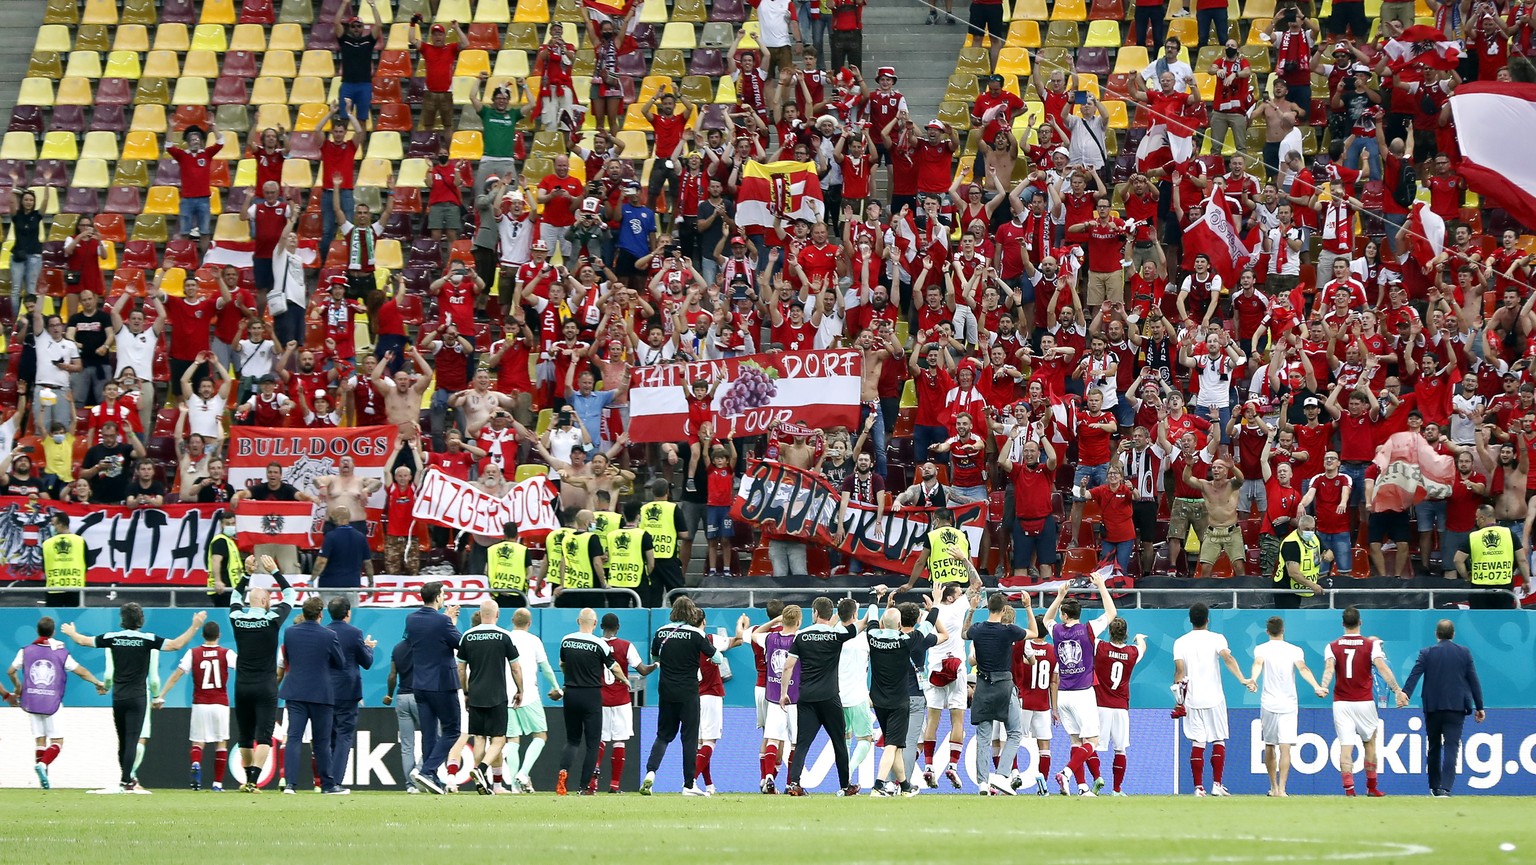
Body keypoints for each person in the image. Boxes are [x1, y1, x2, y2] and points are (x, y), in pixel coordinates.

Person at [60, 605, 206, 794]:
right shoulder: (147, 639)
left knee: (123, 741)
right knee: (132, 740)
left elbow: (82, 641)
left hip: (119, 697)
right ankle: (126, 780)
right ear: (140, 620)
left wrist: (72, 632)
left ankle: (126, 779)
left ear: (122, 619)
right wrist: (195, 626)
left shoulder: (113, 638)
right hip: (137, 698)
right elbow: (175, 644)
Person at [7, 616, 107, 790]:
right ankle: (43, 766)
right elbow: (80, 671)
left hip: (32, 701)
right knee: (57, 742)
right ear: (53, 632)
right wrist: (97, 682)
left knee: (40, 741)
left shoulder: (26, 650)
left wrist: (18, 688)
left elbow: (10, 671)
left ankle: (43, 780)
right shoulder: (60, 652)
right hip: (52, 702)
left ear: (37, 631)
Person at [1319, 606, 1406, 797]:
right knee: (1370, 744)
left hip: (1341, 703)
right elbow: (1382, 668)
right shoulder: (1370, 645)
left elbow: (1328, 669)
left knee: (1345, 747)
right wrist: (1397, 690)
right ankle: (1372, 787)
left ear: (1343, 624)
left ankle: (1349, 790)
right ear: (1360, 622)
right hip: (1365, 702)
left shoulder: (1332, 645)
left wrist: (1323, 686)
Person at [1043, 571, 1116, 795]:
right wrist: (1101, 586)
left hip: (1063, 693)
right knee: (1092, 742)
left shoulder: (1056, 630)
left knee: (1076, 742)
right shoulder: (1088, 629)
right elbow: (1112, 613)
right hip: (1083, 693)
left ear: (1064, 615)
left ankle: (1082, 787)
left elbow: (1046, 619)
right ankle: (1065, 773)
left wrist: (1059, 595)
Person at [780, 596, 862, 797]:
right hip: (829, 697)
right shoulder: (837, 635)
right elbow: (859, 624)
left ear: (814, 613)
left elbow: (788, 666)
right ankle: (845, 786)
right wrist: (871, 601)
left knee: (802, 744)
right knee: (839, 743)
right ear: (830, 614)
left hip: (806, 697)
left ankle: (794, 784)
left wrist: (783, 694)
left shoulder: (801, 636)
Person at [641, 597, 720, 796]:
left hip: (666, 690)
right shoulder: (696, 633)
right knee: (689, 738)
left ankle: (650, 773)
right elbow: (716, 656)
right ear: (691, 613)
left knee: (663, 735)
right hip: (689, 692)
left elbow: (654, 657)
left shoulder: (661, 632)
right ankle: (688, 784)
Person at [1170, 602, 1251, 797]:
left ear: (1190, 620)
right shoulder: (1217, 638)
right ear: (1207, 619)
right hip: (1214, 697)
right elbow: (1227, 658)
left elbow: (1180, 672)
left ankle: (1198, 787)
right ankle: (1216, 784)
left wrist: (1179, 700)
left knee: (1198, 742)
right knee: (1218, 739)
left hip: (1191, 699)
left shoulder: (1180, 642)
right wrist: (1242, 679)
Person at [227, 555, 293, 792]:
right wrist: (275, 571)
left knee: (244, 734)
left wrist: (246, 573)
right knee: (264, 735)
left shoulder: (237, 619)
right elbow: (291, 595)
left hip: (242, 685)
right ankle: (254, 780)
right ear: (265, 601)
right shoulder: (272, 620)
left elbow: (234, 597)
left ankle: (247, 780)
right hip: (265, 685)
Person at [1402, 619, 1486, 797]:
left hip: (1432, 707)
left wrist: (1405, 694)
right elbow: (1473, 680)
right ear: (1453, 634)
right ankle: (1446, 788)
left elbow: (1414, 675)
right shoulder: (1464, 653)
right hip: (1456, 707)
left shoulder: (1427, 653)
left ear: (1437, 634)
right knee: (1451, 747)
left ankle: (1434, 787)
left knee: (1433, 747)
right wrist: (1480, 707)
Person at [1247, 616, 1326, 797]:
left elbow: (1257, 664)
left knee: (1269, 745)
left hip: (1269, 703)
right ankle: (1282, 789)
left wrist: (1253, 680)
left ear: (1267, 632)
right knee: (1285, 747)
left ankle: (1273, 787)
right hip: (1288, 704)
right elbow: (1303, 669)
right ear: (1283, 630)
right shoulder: (1294, 650)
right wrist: (1316, 686)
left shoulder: (1261, 648)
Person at [276, 597, 347, 794]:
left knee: (294, 738)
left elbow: (289, 658)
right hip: (321, 693)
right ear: (320, 614)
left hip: (296, 691)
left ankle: (290, 784)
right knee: (321, 741)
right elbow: (340, 662)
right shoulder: (329, 635)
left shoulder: (290, 633)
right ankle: (327, 785)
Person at [967, 591, 1035, 796]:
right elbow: (1033, 631)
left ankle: (982, 783)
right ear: (1005, 609)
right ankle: (1002, 775)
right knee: (1014, 732)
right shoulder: (1009, 631)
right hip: (1004, 686)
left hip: (983, 686)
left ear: (988, 607)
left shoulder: (977, 630)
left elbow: (964, 633)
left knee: (983, 738)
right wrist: (1028, 606)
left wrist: (971, 609)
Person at [555, 608, 627, 796]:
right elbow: (615, 667)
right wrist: (625, 681)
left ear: (579, 621)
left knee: (572, 740)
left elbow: (562, 664)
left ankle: (563, 775)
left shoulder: (566, 640)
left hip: (571, 693)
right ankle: (584, 786)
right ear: (594, 624)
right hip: (592, 695)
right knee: (593, 743)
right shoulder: (599, 644)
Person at [157, 621, 236, 791]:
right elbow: (244, 669)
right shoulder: (227, 653)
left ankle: (195, 763)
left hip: (200, 703)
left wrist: (162, 695)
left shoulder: (193, 653)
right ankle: (217, 784)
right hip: (220, 704)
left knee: (198, 743)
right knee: (221, 744)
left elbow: (176, 675)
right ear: (219, 636)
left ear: (203, 635)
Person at [456, 599, 524, 795]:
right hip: (496, 695)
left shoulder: (467, 636)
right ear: (497, 615)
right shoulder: (504, 636)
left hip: (476, 694)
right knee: (499, 739)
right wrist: (520, 690)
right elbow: (515, 667)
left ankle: (485, 784)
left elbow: (461, 669)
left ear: (480, 613)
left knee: (479, 738)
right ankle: (481, 770)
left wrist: (466, 692)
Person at [404, 582, 463, 794]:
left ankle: (432, 779)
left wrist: (446, 620)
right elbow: (460, 644)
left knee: (429, 733)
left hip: (419, 684)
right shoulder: (442, 621)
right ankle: (427, 771)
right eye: (444, 594)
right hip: (441, 683)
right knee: (452, 729)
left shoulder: (411, 619)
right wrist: (450, 620)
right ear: (438, 597)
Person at [591, 613, 655, 794]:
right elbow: (642, 669)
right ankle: (614, 785)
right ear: (618, 627)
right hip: (621, 700)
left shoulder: (595, 644)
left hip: (600, 699)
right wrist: (656, 665)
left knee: (600, 740)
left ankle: (593, 783)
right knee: (619, 741)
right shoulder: (625, 645)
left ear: (600, 626)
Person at [508, 607, 561, 793]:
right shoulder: (533, 640)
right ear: (529, 623)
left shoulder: (505, 637)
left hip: (506, 695)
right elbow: (545, 667)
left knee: (512, 740)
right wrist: (556, 686)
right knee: (540, 735)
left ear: (512, 620)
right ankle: (523, 773)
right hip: (528, 694)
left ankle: (515, 786)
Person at [326, 596, 375, 790]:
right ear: (348, 613)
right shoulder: (355, 633)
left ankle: (325, 780)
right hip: (348, 691)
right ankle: (335, 782)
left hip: (326, 691)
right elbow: (367, 662)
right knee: (344, 736)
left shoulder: (324, 631)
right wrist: (368, 649)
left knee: (328, 737)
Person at [1093, 617, 1146, 796]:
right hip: (1121, 707)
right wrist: (1139, 638)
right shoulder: (1132, 653)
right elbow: (1142, 649)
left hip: (1101, 705)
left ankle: (1097, 778)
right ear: (1126, 634)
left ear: (1110, 632)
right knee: (1120, 749)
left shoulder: (1100, 647)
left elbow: (1089, 636)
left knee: (1091, 745)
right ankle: (1116, 789)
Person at [1458, 505, 1529, 609]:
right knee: (1501, 621)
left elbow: (1458, 560)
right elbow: (1522, 560)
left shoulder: (1473, 536)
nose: (1476, 521)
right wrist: (1526, 581)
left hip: (1479, 589)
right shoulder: (1510, 534)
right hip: (1504, 589)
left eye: (1477, 518)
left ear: (1482, 518)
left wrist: (1466, 577)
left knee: (1481, 623)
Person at [383, 637, 418, 794]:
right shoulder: (424, 646)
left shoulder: (397, 648)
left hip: (402, 697)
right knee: (436, 736)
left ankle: (410, 785)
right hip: (421, 696)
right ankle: (420, 770)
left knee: (407, 745)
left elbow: (392, 675)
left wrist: (389, 695)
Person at [1273, 514, 1331, 608]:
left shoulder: (1314, 538)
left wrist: (1327, 555)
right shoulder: (1291, 543)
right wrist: (1313, 586)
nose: (1310, 532)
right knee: (1290, 621)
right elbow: (1293, 573)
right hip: (1287, 589)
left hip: (1305, 587)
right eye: (1307, 529)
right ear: (1299, 527)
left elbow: (1327, 551)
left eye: (1312, 529)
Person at [40, 513, 84, 608]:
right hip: (75, 585)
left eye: (53, 524)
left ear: (60, 524)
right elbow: (88, 562)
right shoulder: (80, 541)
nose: (52, 527)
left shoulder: (47, 543)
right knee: (72, 620)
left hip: (54, 587)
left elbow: (43, 566)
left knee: (52, 619)